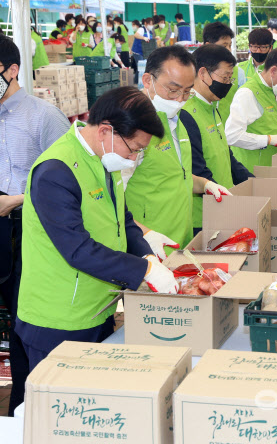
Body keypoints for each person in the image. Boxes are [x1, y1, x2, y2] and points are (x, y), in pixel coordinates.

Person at [16, 87, 182, 372]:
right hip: (59, 318)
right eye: (135, 149)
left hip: (97, 307)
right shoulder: (56, 171)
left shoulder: (105, 158)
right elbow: (77, 249)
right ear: (106, 131)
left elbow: (123, 219)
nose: (134, 159)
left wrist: (147, 255)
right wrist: (143, 271)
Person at [0, 36, 70, 415]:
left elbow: (67, 184)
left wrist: (15, 200)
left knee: (24, 322)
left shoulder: (44, 117)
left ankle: (26, 409)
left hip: (26, 228)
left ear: (11, 71)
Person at [125, 46, 231, 260]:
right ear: (148, 81)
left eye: (186, 91)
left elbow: (174, 176)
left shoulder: (176, 120)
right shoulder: (132, 129)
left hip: (179, 242)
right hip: (148, 246)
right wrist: (144, 234)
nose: (180, 99)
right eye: (172, 90)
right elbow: (114, 197)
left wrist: (205, 185)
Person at [178, 45, 252, 233]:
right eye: (225, 77)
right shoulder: (187, 114)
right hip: (204, 214)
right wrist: (227, 203)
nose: (228, 83)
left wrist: (252, 183)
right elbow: (197, 168)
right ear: (203, 73)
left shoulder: (211, 106)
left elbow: (225, 154)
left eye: (230, 78)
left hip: (222, 204)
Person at [225, 47, 277, 173]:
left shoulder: (271, 89)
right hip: (251, 171)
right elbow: (231, 135)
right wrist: (269, 140)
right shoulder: (248, 93)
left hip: (268, 168)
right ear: (274, 71)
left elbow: (265, 126)